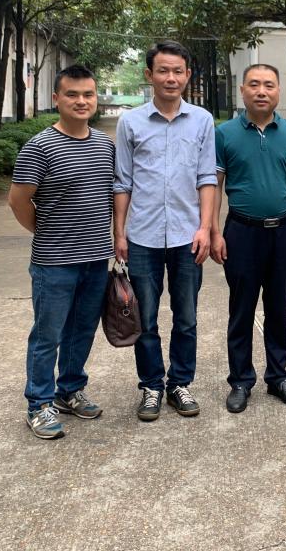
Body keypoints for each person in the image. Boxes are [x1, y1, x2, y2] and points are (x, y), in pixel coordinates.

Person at [9, 65, 115, 440]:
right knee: (47, 336)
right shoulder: (39, 147)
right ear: (56, 99)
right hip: (54, 262)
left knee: (81, 331)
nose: (81, 101)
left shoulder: (105, 145)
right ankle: (38, 404)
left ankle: (69, 390)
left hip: (96, 259)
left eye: (88, 94)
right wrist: (45, 232)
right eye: (72, 94)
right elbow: (18, 201)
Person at [114, 41, 216, 421]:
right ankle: (152, 386)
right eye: (163, 71)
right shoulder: (130, 122)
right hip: (143, 236)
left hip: (188, 236)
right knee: (146, 318)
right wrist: (120, 232)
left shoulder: (202, 120)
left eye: (177, 71)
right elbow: (122, 181)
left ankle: (180, 383)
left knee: (186, 316)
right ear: (149, 75)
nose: (170, 78)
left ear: (188, 75)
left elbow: (207, 178)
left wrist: (205, 228)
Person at [210, 64, 286, 413]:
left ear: (279, 90)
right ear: (242, 90)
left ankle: (279, 376)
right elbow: (215, 185)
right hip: (241, 232)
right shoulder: (224, 134)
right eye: (254, 84)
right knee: (241, 309)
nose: (261, 91)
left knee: (279, 309)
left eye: (269, 85)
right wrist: (213, 231)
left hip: (282, 231)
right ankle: (240, 380)